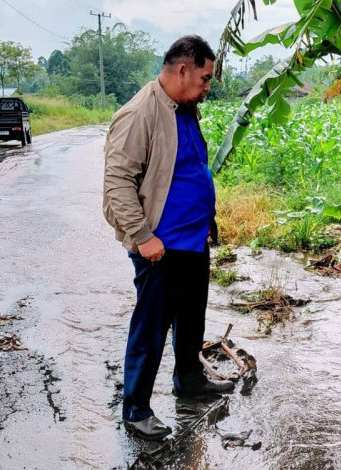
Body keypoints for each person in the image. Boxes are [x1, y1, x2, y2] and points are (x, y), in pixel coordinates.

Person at [103, 35, 234, 440]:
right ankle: (136, 410)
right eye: (205, 78)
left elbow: (189, 167)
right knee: (151, 328)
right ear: (183, 70)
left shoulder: (184, 108)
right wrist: (143, 236)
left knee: (191, 318)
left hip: (192, 240)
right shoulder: (139, 113)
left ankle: (189, 380)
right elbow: (117, 182)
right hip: (160, 245)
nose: (207, 86)